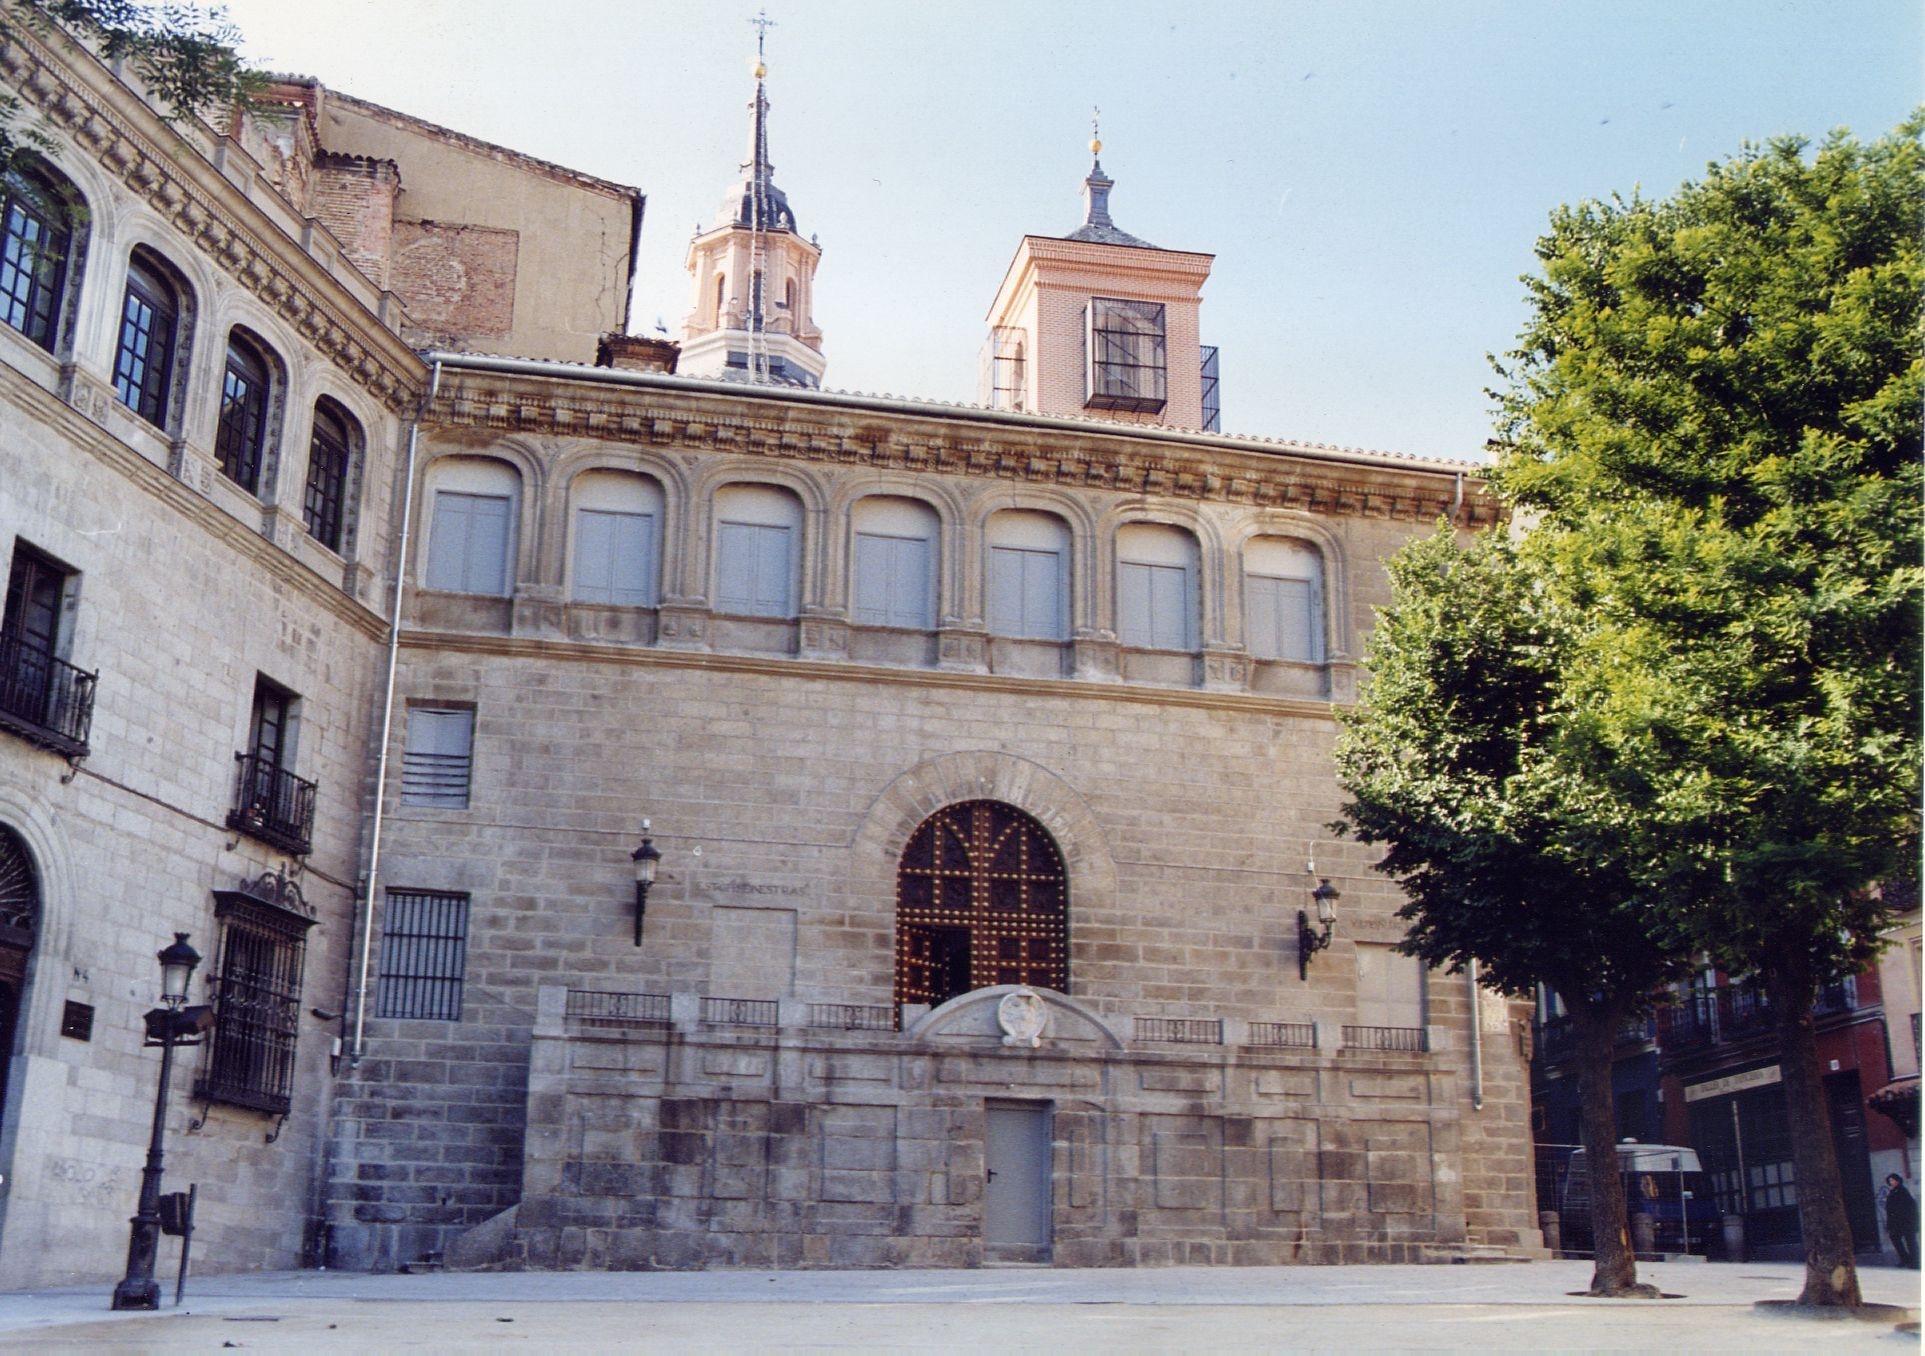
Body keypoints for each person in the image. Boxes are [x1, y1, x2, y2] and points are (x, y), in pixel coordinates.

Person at [1885, 1173, 1918, 1268]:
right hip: (1896, 1223)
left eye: (1893, 1180)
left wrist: (1911, 1221)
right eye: (1890, 1181)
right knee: (1895, 1238)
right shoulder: (1892, 1192)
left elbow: (1910, 1207)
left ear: (1898, 1181)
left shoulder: (1903, 1192)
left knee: (1911, 1242)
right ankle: (1905, 1259)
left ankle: (1915, 1262)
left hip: (1906, 1222)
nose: (1891, 1182)